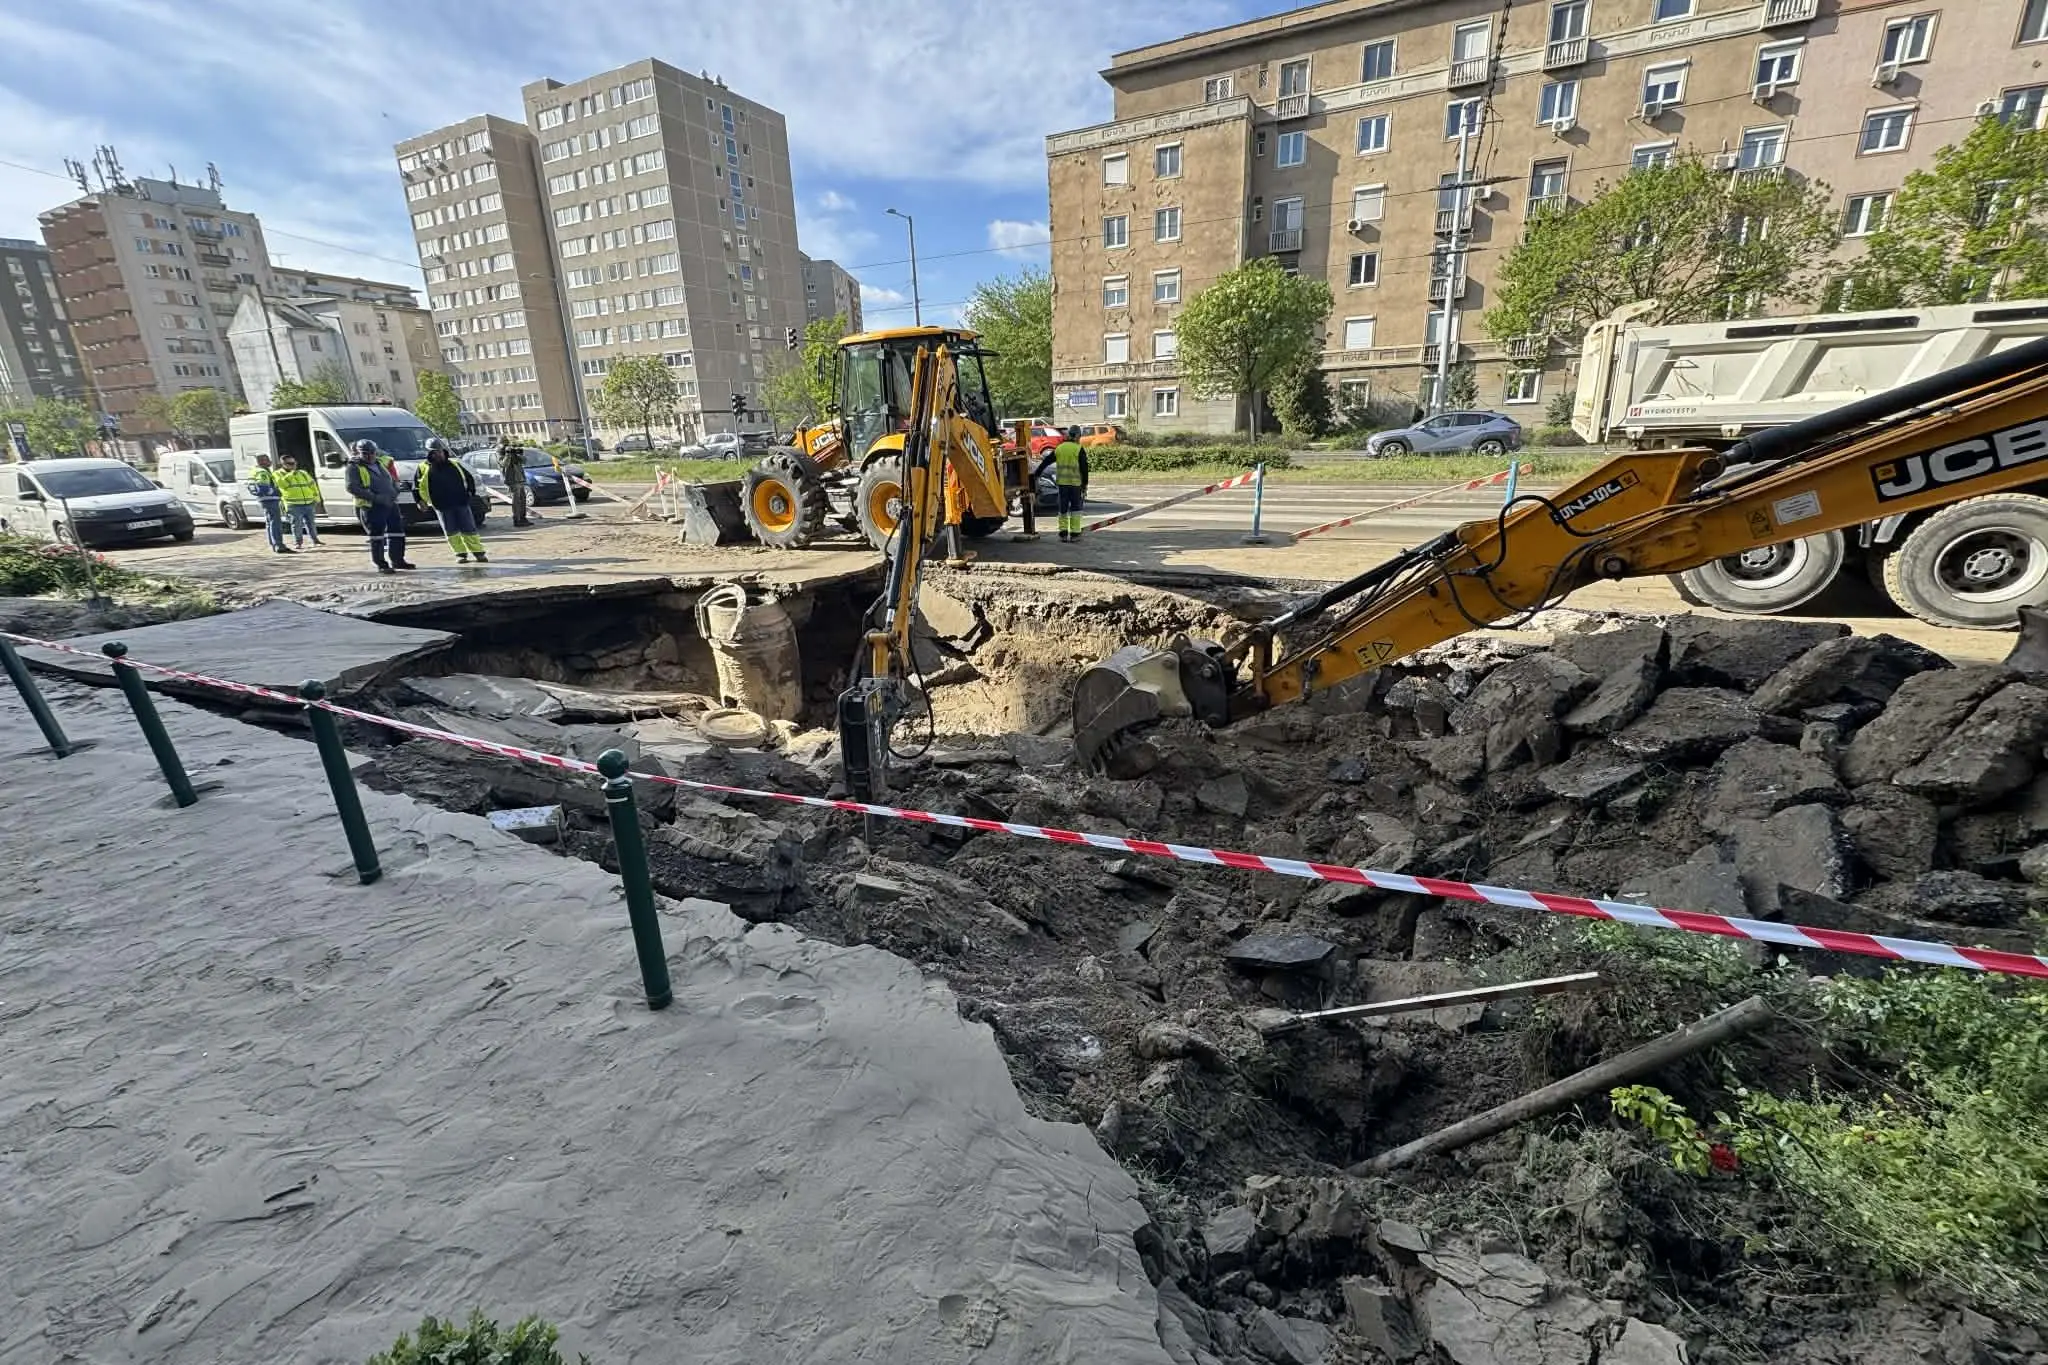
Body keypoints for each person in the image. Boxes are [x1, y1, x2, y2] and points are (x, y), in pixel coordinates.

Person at [344, 438, 415, 574]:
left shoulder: (380, 463)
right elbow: (352, 487)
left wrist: (395, 491)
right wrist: (376, 498)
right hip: (371, 506)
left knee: (397, 532)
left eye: (372, 453)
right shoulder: (353, 467)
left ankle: (398, 560)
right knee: (377, 536)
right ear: (359, 453)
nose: (369, 456)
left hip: (390, 503)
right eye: (365, 453)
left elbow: (392, 479)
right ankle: (381, 563)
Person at [419, 438, 488, 565]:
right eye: (435, 452)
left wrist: (470, 493)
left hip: (461, 502)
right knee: (451, 531)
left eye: (440, 451)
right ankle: (460, 554)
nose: (438, 454)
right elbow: (417, 487)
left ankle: (478, 552)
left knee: (469, 529)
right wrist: (420, 501)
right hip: (441, 505)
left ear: (444, 451)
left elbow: (469, 478)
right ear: (430, 454)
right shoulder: (423, 468)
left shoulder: (455, 464)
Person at [1036, 425, 1090, 543]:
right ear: (1076, 436)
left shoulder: (1060, 448)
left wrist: (1037, 473)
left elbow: (1046, 461)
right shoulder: (1078, 449)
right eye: (1079, 436)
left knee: (1063, 509)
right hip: (1075, 485)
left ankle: (1063, 534)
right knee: (1075, 510)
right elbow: (1084, 468)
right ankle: (1075, 534)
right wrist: (1085, 484)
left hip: (1062, 485)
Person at [247, 453, 291, 554]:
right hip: (270, 499)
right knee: (275, 522)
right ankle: (279, 545)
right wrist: (276, 491)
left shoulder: (255, 470)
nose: (270, 461)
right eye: (267, 459)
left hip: (264, 499)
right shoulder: (262, 472)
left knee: (270, 522)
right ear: (262, 461)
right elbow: (264, 487)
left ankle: (274, 544)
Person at [277, 454, 322, 550]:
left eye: (294, 463)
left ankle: (315, 540)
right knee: (296, 524)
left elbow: (312, 484)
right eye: (290, 463)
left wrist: (316, 497)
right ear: (283, 464)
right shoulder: (278, 474)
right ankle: (298, 542)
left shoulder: (302, 473)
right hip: (293, 504)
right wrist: (291, 475)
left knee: (311, 523)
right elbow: (282, 485)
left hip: (308, 502)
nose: (293, 465)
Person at [496, 435, 530, 527]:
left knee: (523, 499)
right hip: (511, 479)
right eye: (504, 443)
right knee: (516, 500)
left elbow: (524, 461)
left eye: (507, 443)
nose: (506, 445)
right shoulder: (499, 453)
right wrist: (507, 454)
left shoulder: (513, 452)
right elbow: (504, 464)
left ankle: (523, 518)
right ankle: (517, 519)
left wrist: (518, 454)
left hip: (520, 478)